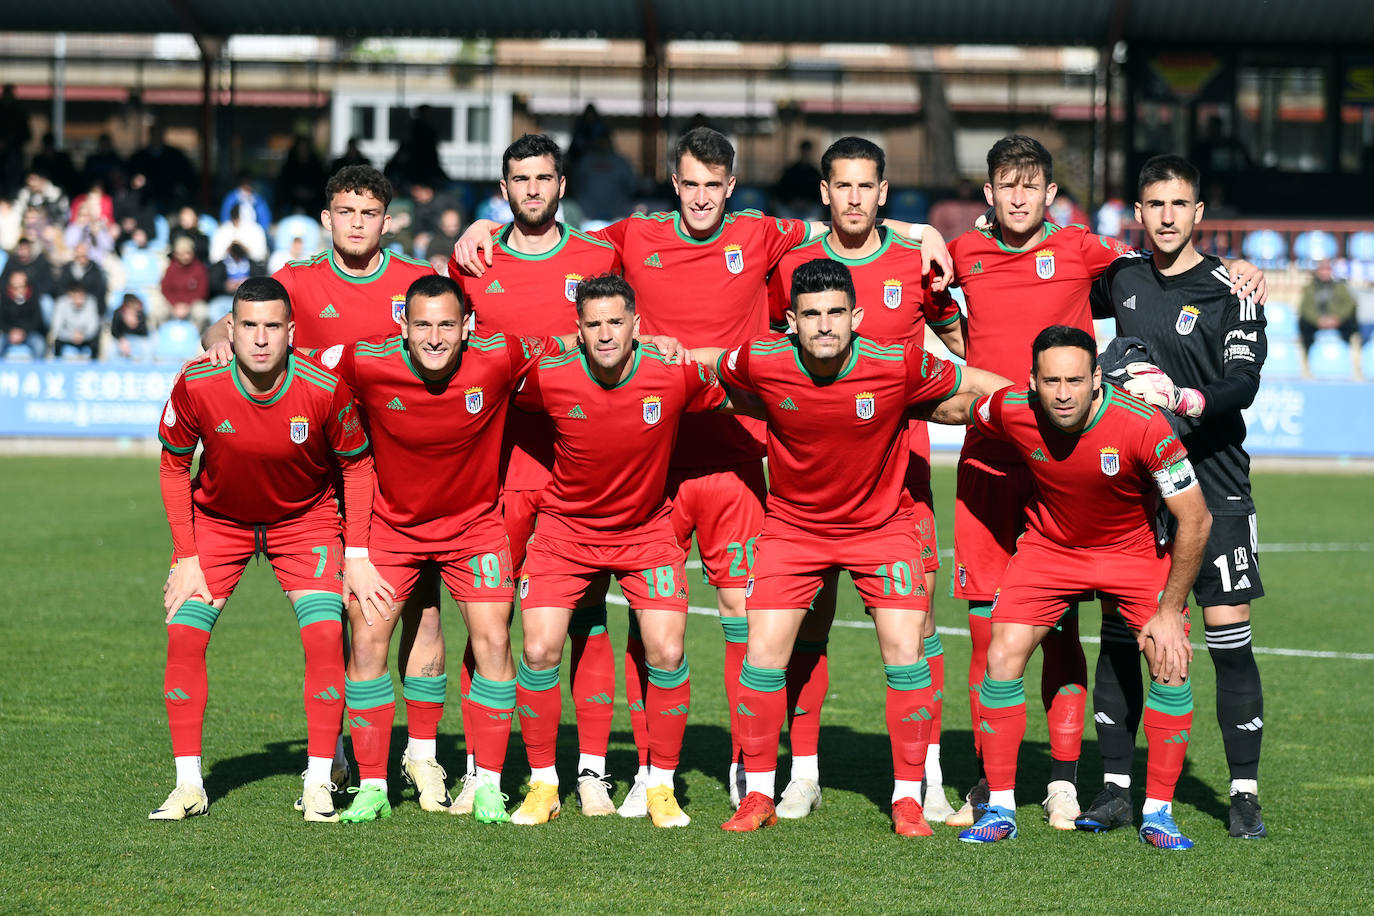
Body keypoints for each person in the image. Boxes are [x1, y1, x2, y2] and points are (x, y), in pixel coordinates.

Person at [453, 126, 952, 811]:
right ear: (673, 182)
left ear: (732, 185)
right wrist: (485, 221)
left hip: (737, 457)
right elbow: (545, 233)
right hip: (653, 463)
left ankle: (755, 772)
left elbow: (844, 212)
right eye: (689, 183)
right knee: (648, 622)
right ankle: (651, 773)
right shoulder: (630, 236)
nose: (701, 199)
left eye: (714, 186)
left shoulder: (760, 232)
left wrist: (918, 229)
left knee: (749, 615)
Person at [942, 135, 1266, 830]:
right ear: (990, 195)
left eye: (1032, 185)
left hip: (1137, 473)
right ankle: (1019, 784)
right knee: (1004, 637)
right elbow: (926, 300)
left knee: (1159, 637)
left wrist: (1239, 267)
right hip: (1018, 463)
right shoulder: (972, 253)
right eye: (1007, 186)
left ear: (1052, 195)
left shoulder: (1097, 255)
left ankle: (1129, 785)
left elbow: (1227, 357)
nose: (1020, 197)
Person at [708, 258, 1006, 836]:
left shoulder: (895, 363)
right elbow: (708, 367)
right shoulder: (762, 360)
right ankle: (759, 794)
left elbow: (973, 384)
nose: (825, 325)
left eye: (836, 313)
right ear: (790, 320)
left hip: (881, 528)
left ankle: (908, 797)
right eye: (812, 315)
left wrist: (1036, 401)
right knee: (762, 653)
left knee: (905, 650)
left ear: (857, 316)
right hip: (793, 528)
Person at [201, 165, 438, 804]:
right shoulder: (295, 282)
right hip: (324, 477)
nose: (357, 223)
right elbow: (227, 326)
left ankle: (421, 754)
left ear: (385, 222)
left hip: (403, 467)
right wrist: (216, 343)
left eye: (369, 214)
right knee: (340, 610)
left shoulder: (414, 280)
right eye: (345, 212)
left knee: (419, 610)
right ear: (325, 218)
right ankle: (333, 749)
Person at [764, 136, 966, 821]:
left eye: (865, 187)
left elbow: (961, 342)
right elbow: (771, 351)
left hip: (900, 474)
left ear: (884, 193)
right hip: (812, 482)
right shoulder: (794, 263)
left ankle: (929, 776)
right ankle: (803, 773)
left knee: (919, 623)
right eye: (841, 186)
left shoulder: (915, 259)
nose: (853, 198)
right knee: (808, 622)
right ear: (825, 192)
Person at [950, 325, 1211, 850]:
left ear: (1097, 379)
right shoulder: (1012, 408)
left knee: (1171, 658)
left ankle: (1158, 811)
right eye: (1051, 381)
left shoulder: (1143, 426)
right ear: (1032, 381)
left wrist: (1171, 608)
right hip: (1050, 550)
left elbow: (1196, 519)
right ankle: (999, 805)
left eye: (1075, 380)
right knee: (1002, 655)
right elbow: (956, 409)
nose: (1063, 393)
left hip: (1131, 554)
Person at [323, 274, 571, 824]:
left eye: (446, 325)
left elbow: (577, 342)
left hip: (474, 530)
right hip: (391, 530)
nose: (434, 337)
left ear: (468, 326)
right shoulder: (363, 361)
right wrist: (219, 333)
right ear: (402, 327)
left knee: (493, 646)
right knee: (366, 648)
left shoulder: (501, 353)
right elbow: (293, 359)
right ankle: (371, 785)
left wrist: (657, 344)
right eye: (422, 325)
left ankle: (486, 782)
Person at [150, 276, 389, 822]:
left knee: (326, 636)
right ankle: (188, 785)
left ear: (292, 332)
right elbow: (172, 464)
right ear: (230, 330)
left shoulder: (324, 386)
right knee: (184, 635)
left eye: (272, 327)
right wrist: (186, 555)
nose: (260, 339)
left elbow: (357, 465)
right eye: (249, 326)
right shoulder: (197, 382)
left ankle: (321, 777)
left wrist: (356, 555)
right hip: (218, 522)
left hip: (303, 523)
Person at [1087, 154, 1270, 839]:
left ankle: (1243, 790)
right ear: (1138, 213)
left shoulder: (1234, 288)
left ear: (1198, 214)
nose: (1166, 217)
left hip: (1215, 483)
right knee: (1121, 634)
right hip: (1137, 488)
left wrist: (1186, 398)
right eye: (1154, 205)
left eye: (1179, 205)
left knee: (1227, 636)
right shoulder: (1124, 275)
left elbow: (1243, 382)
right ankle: (1112, 786)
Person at [508, 273, 730, 829]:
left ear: (637, 325)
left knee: (668, 652)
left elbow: (743, 383)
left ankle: (660, 785)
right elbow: (493, 383)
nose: (605, 334)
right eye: (593, 324)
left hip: (645, 531)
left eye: (615, 322)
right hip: (564, 532)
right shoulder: (550, 376)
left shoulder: (672, 375)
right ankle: (543, 785)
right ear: (577, 331)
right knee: (538, 651)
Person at [449, 134, 624, 817]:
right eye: (519, 178)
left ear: (560, 183)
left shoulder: (597, 257)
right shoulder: (474, 259)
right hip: (493, 474)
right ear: (503, 187)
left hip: (579, 475)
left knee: (587, 622)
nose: (531, 188)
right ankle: (481, 769)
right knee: (488, 622)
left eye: (543, 177)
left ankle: (590, 772)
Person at [1298, 258, 1360, 378]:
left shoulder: (1340, 287)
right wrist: (1318, 320)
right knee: (1303, 324)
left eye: (1327, 270)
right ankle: (1307, 361)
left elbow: (1350, 304)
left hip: (1337, 321)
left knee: (1352, 322)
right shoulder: (1310, 288)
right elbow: (1304, 308)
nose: (1325, 272)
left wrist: (1337, 318)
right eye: (1322, 270)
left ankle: (1350, 358)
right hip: (1316, 323)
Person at [161, 236, 211, 328]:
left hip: (192, 304)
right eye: (182, 254)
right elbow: (165, 290)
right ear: (176, 254)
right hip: (174, 304)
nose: (185, 257)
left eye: (188, 253)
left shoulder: (199, 268)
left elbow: (202, 292)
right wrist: (175, 304)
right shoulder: (171, 269)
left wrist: (186, 306)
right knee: (158, 311)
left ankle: (196, 337)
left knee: (202, 312)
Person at [772, 139, 823, 221]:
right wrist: (791, 202)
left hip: (809, 209)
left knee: (814, 215)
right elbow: (780, 190)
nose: (806, 154)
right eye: (804, 151)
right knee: (785, 219)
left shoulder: (814, 173)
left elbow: (819, 193)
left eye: (807, 151)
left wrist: (807, 203)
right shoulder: (790, 171)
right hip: (790, 208)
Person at [0, 269, 45, 358]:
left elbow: (37, 320)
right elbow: (1, 320)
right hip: (9, 334)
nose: (19, 290)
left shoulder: (33, 298)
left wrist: (23, 332)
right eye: (15, 287)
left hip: (29, 333)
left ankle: (36, 371)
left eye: (21, 286)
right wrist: (11, 332)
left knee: (40, 345)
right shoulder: (4, 299)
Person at [49, 283, 100, 358]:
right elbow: (56, 328)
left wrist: (83, 335)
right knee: (57, 343)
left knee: (95, 343)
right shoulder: (61, 304)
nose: (80, 300)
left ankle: (93, 368)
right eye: (77, 297)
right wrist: (71, 335)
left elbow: (93, 327)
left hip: (85, 338)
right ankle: (58, 367)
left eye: (82, 296)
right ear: (70, 295)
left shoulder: (91, 303)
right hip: (66, 338)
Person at [110, 292, 151, 359]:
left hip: (138, 339)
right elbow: (114, 331)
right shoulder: (118, 313)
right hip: (122, 339)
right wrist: (122, 340)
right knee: (111, 347)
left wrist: (134, 324)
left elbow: (144, 332)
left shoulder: (140, 313)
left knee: (147, 346)